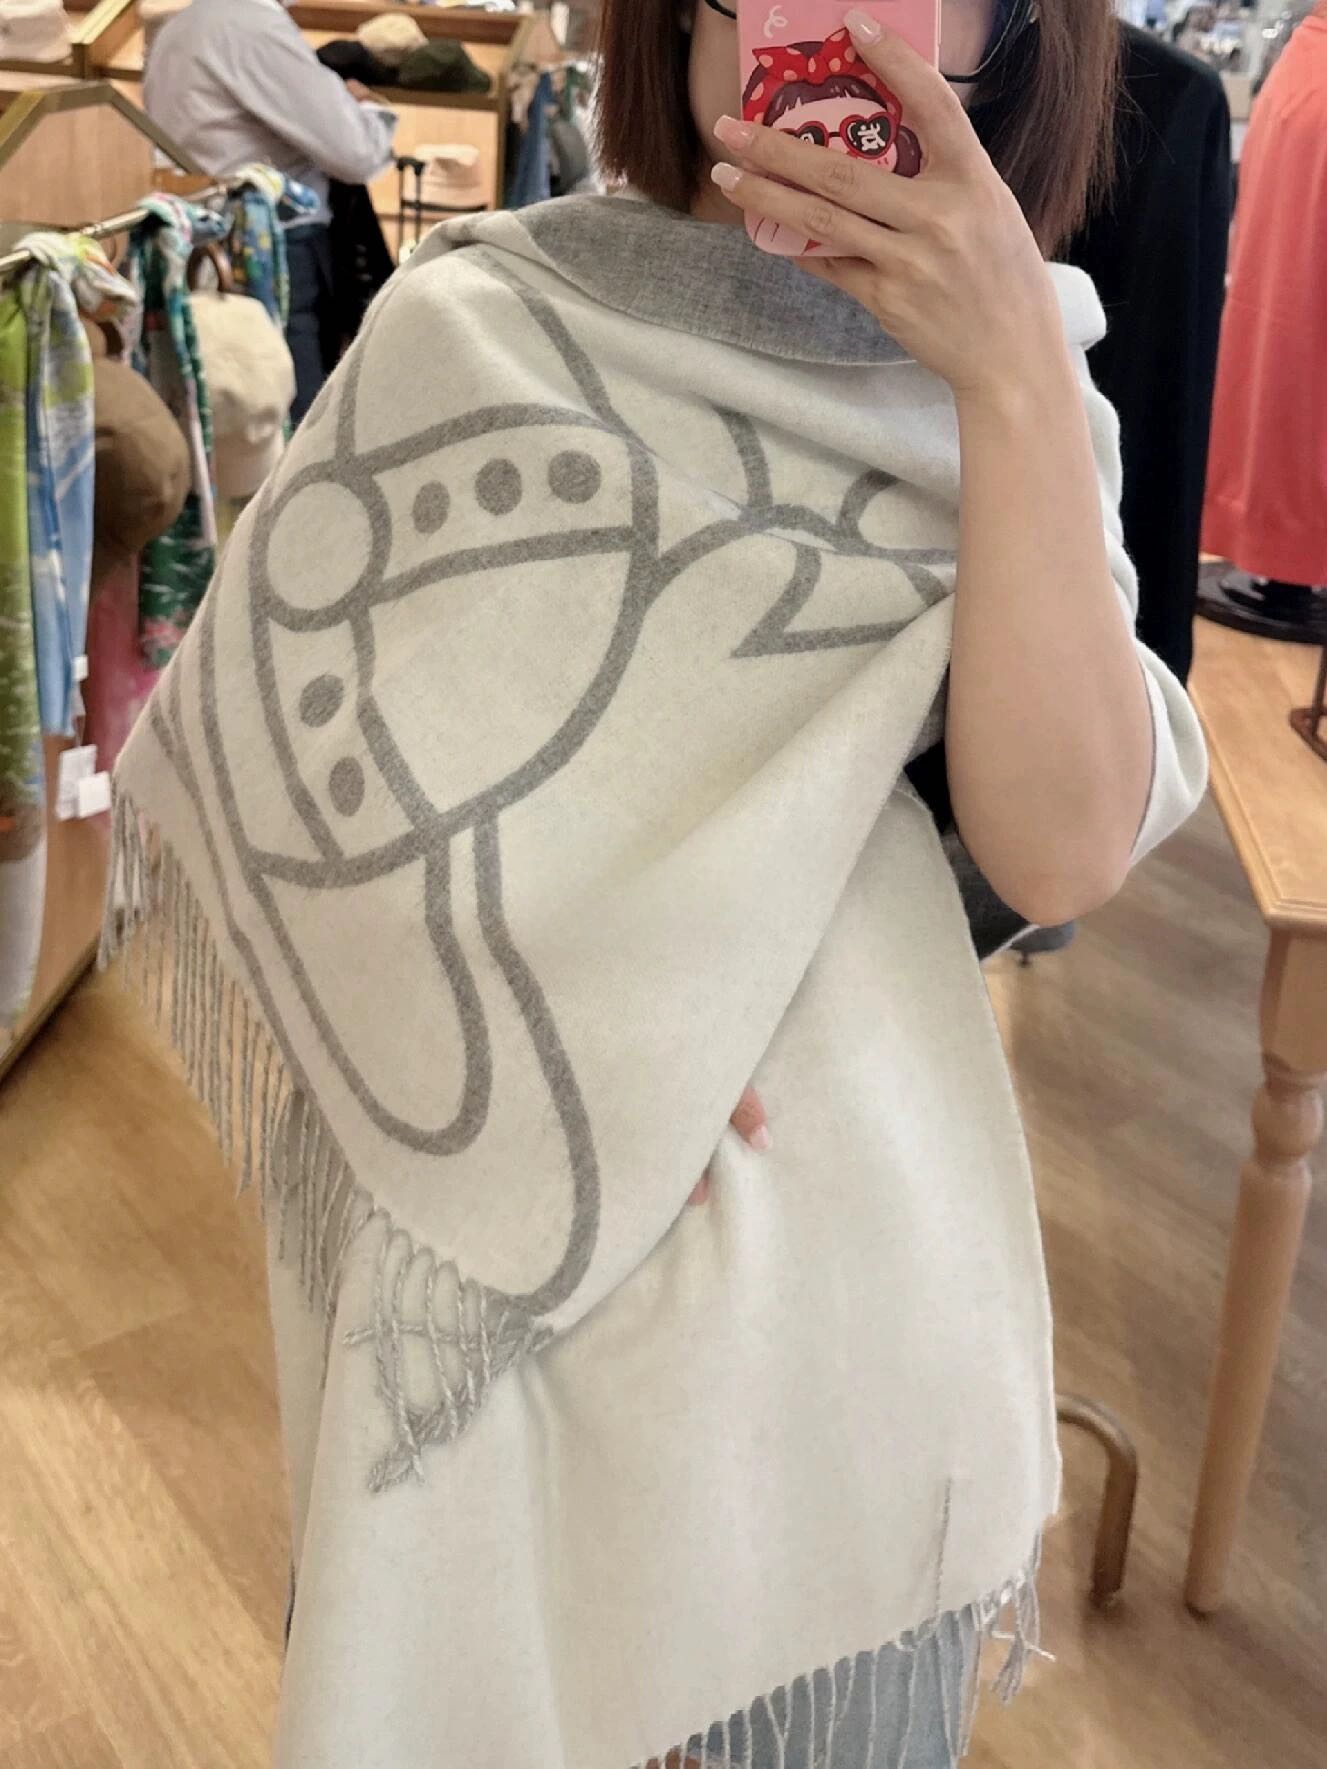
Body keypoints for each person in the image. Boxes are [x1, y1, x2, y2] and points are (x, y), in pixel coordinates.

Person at [105, 2, 1206, 1765]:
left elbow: (1056, 842)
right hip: (489, 1249)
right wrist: (587, 1030)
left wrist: (1005, 371)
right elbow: (295, 772)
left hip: (825, 1302)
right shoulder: (479, 322)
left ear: (1013, 37)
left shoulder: (1019, 389)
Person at [143, 0, 396, 422]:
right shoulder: (252, 27)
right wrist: (367, 108)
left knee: (236, 412)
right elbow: (356, 152)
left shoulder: (182, 26)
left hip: (203, 239)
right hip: (273, 245)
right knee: (295, 415)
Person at [1202, 0, 1327, 631]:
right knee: (1296, 348)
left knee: (1278, 338)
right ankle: (1287, 546)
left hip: (1302, 84)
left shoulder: (1301, 58)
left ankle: (1274, 537)